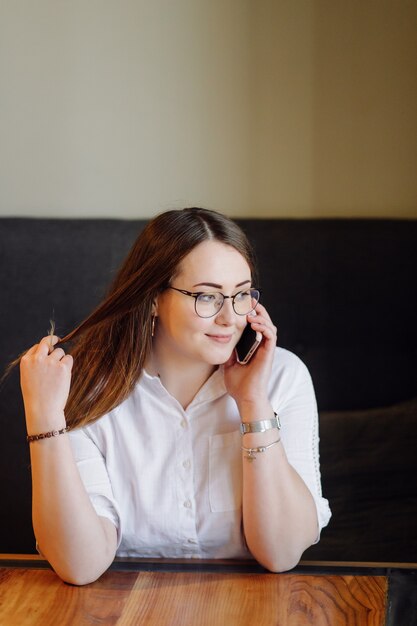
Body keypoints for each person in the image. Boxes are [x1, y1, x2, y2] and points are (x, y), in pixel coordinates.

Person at [20, 207, 331, 585]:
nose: (230, 318)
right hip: (123, 607)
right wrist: (45, 417)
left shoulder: (283, 376)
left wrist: (253, 405)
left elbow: (281, 554)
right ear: (152, 298)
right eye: (206, 296)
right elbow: (79, 565)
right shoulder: (87, 387)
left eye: (242, 294)